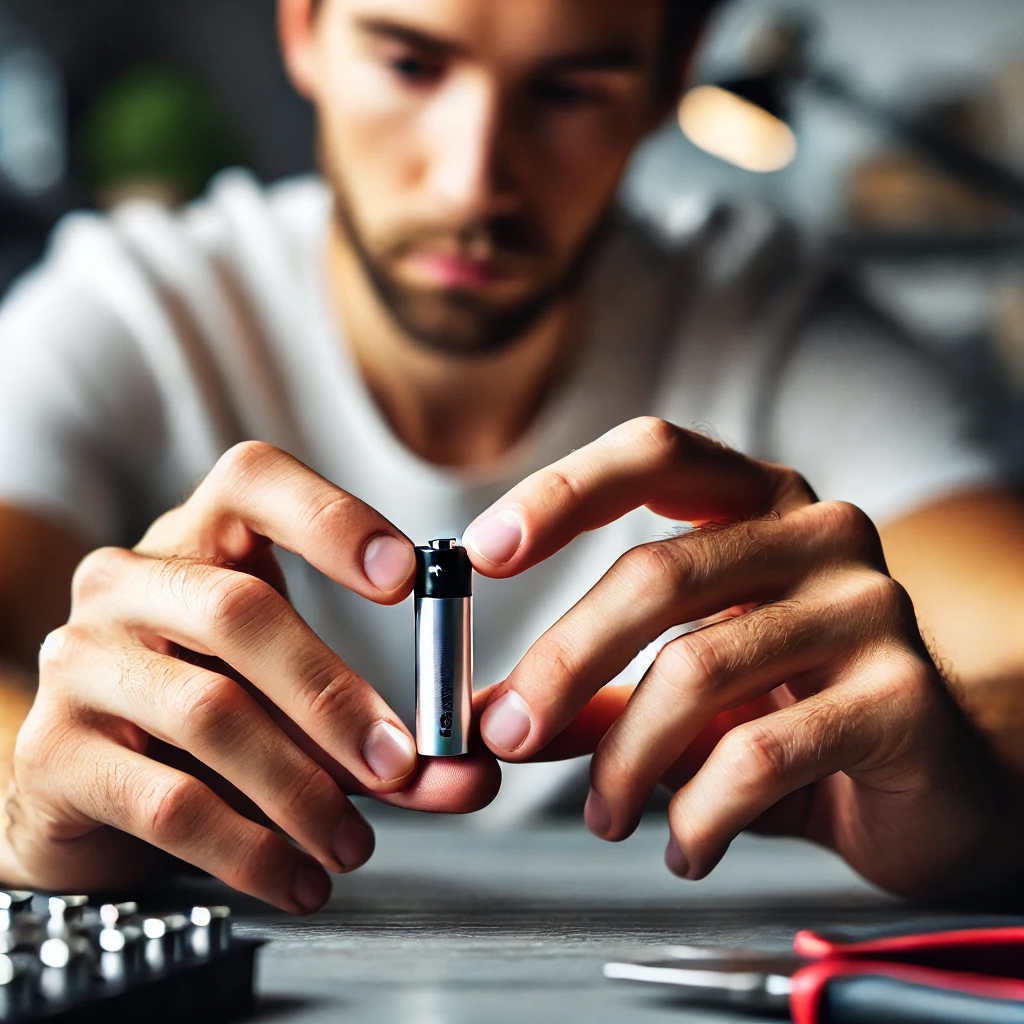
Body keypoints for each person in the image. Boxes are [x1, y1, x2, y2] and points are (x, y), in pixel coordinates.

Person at [0, 0, 1022, 915]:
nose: (472, 179)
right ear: (304, 28)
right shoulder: (126, 309)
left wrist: (971, 783)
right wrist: (40, 784)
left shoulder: (788, 326)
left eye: (568, 88)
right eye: (411, 63)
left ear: (669, 82)